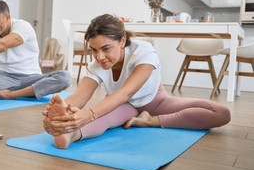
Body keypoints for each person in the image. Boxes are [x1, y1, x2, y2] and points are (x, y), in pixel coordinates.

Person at [43, 14, 231, 149]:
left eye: (106, 48)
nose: (99, 57)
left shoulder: (144, 51)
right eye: (94, 50)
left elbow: (126, 92)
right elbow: (79, 97)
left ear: (123, 40)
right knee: (105, 118)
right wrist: (60, 116)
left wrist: (89, 114)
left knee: (221, 113)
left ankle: (150, 121)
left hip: (156, 102)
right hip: (123, 106)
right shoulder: (97, 65)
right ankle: (71, 135)